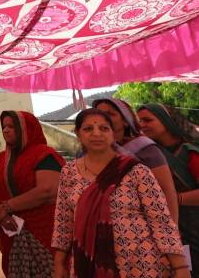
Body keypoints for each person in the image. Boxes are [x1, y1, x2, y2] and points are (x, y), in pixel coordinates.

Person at [51, 108, 188, 278]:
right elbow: (63, 222)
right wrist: (59, 262)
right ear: (78, 134)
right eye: (88, 129)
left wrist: (180, 267)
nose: (96, 133)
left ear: (112, 134)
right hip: (88, 262)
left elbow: (160, 220)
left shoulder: (136, 170)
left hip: (140, 263)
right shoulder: (69, 172)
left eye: (104, 128)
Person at [0, 110, 63, 278]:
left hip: (43, 230)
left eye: (12, 126)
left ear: (27, 129)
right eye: (4, 127)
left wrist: (7, 207)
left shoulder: (44, 154)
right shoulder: (2, 158)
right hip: (11, 232)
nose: (6, 130)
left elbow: (48, 190)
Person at [92, 97, 179, 224]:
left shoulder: (145, 149)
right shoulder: (85, 153)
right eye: (97, 114)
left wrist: (171, 231)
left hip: (140, 226)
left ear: (126, 122)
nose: (102, 118)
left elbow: (166, 191)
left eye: (110, 114)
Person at [138, 104, 199, 278]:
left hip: (193, 226)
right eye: (140, 120)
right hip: (164, 227)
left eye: (148, 120)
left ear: (166, 121)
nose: (142, 125)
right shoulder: (147, 154)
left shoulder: (190, 153)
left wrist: (173, 198)